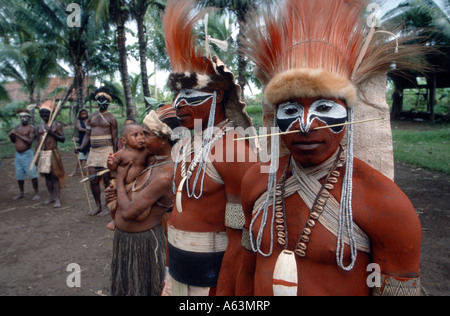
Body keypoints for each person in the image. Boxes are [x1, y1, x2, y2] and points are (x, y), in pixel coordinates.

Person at [237, 0, 425, 296]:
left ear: (349, 116)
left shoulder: (387, 206)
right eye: (290, 109)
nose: (306, 124)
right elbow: (246, 271)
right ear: (275, 119)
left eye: (324, 107)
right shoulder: (255, 182)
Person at [161, 0, 258, 296]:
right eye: (177, 94)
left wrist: (228, 291)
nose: (179, 104)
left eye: (190, 93)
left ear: (218, 95)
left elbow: (241, 241)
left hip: (213, 279)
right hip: (178, 267)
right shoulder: (188, 142)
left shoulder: (235, 152)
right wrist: (169, 266)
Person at [106, 105, 180, 296]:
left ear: (164, 139)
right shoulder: (153, 160)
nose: (142, 139)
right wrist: (117, 194)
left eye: (146, 134)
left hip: (144, 244)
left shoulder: (166, 174)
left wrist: (120, 182)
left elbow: (130, 211)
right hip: (126, 241)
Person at [77, 87, 118, 216]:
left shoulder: (111, 118)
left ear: (107, 102)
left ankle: (107, 206)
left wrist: (115, 155)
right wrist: (81, 147)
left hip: (107, 150)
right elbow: (87, 135)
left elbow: (114, 137)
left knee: (107, 179)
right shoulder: (91, 117)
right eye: (99, 100)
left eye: (103, 100)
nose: (101, 103)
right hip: (94, 151)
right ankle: (97, 205)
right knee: (93, 179)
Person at [106, 123, 154, 231]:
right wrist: (109, 162)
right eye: (135, 135)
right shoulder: (121, 153)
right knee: (114, 202)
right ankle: (115, 219)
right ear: (123, 140)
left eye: (143, 134)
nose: (141, 138)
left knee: (134, 203)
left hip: (139, 183)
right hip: (122, 183)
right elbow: (112, 167)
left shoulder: (146, 152)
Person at [36, 100, 66, 208]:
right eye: (42, 113)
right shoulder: (40, 127)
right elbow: (37, 141)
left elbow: (62, 139)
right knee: (47, 177)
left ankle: (58, 198)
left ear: (51, 114)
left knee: (54, 176)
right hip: (43, 154)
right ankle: (51, 196)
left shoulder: (56, 125)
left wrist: (52, 133)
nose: (44, 115)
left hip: (52, 152)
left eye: (46, 113)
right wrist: (36, 156)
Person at [8, 109, 40, 201]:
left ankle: (36, 192)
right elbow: (14, 141)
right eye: (22, 117)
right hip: (18, 155)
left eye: (26, 117)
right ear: (20, 118)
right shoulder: (17, 127)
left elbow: (29, 141)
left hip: (27, 154)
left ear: (29, 118)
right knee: (19, 174)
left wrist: (16, 134)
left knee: (32, 173)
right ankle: (21, 193)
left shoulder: (32, 128)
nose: (24, 119)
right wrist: (11, 136)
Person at [69, 109, 90, 177]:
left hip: (90, 140)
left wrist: (89, 131)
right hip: (82, 140)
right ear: (80, 115)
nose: (83, 115)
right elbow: (80, 128)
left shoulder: (89, 120)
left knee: (90, 156)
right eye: (82, 114)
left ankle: (90, 171)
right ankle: (75, 171)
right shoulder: (78, 121)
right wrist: (88, 131)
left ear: (87, 114)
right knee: (80, 157)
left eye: (85, 113)